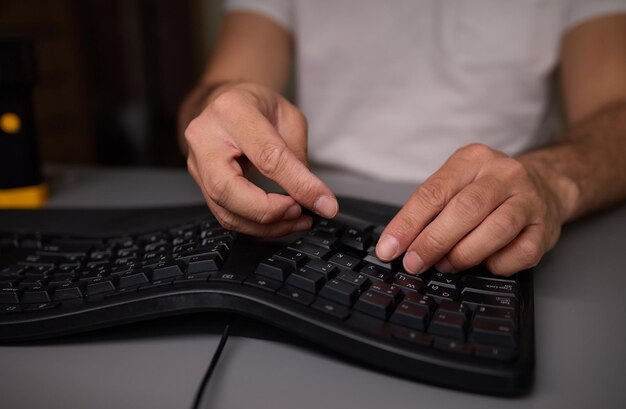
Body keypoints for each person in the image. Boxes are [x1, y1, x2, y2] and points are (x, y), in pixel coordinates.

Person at [178, 0, 626, 277]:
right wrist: (221, 108)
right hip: (311, 223)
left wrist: (548, 180)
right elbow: (215, 93)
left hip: (503, 227)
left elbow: (616, 114)